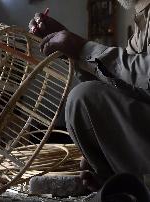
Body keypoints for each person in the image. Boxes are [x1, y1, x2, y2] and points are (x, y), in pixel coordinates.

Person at [29, 0, 150, 199]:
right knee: (84, 100)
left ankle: (131, 184)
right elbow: (123, 83)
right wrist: (71, 50)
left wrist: (81, 47)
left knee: (84, 98)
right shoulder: (143, 16)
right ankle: (116, 179)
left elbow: (144, 72)